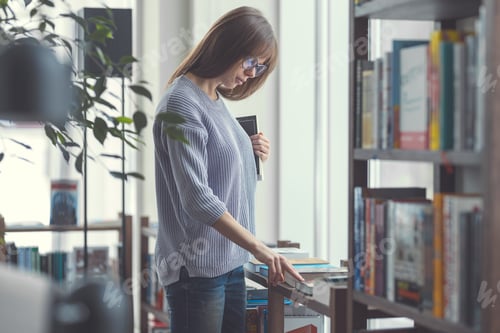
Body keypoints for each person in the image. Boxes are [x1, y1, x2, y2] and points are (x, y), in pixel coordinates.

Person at [152, 6, 303, 333]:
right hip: (198, 271)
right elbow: (197, 199)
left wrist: (252, 157)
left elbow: (227, 184)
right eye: (251, 62)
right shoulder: (181, 103)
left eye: (260, 67)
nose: (252, 73)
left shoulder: (216, 102)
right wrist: (261, 249)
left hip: (231, 263)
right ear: (227, 46)